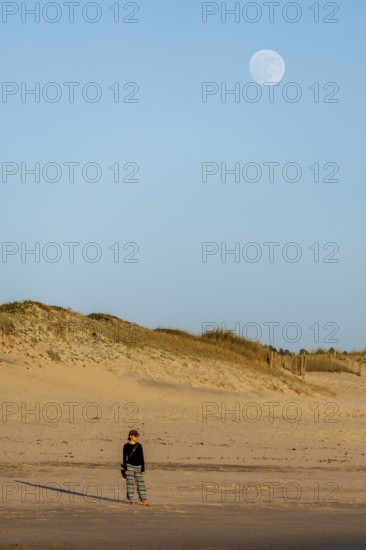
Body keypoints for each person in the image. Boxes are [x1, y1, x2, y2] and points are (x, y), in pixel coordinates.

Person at [123, 429, 150, 506]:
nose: (136, 437)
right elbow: (124, 458)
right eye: (135, 436)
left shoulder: (139, 446)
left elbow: (142, 457)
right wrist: (125, 469)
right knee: (130, 483)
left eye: (137, 436)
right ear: (130, 436)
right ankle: (131, 499)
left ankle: (144, 500)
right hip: (129, 467)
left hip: (139, 467)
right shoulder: (126, 446)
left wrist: (143, 468)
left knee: (141, 484)